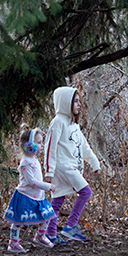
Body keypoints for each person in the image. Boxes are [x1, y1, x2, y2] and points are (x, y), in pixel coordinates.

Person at [43, 86, 101, 244]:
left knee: (57, 201)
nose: (79, 104)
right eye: (75, 101)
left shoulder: (74, 125)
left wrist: (94, 162)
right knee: (86, 192)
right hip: (63, 167)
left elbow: (84, 146)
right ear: (65, 102)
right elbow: (50, 147)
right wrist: (49, 171)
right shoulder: (58, 122)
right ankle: (70, 225)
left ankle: (50, 234)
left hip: (70, 167)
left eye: (79, 101)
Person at [3, 128, 57, 252]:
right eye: (38, 142)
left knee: (48, 215)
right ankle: (13, 243)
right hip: (25, 195)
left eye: (41, 142)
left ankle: (40, 235)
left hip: (38, 196)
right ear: (29, 145)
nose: (41, 145)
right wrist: (48, 186)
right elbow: (31, 182)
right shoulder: (25, 163)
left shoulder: (34, 159)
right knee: (18, 221)